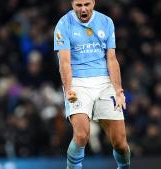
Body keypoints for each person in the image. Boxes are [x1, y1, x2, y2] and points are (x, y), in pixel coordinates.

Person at [53, 0, 130, 168]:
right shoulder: (63, 24)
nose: (83, 9)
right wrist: (69, 89)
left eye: (86, 4)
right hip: (78, 83)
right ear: (72, 5)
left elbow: (111, 59)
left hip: (105, 83)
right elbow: (64, 62)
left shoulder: (106, 22)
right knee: (81, 135)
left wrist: (118, 90)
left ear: (94, 2)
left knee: (120, 143)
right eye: (78, 5)